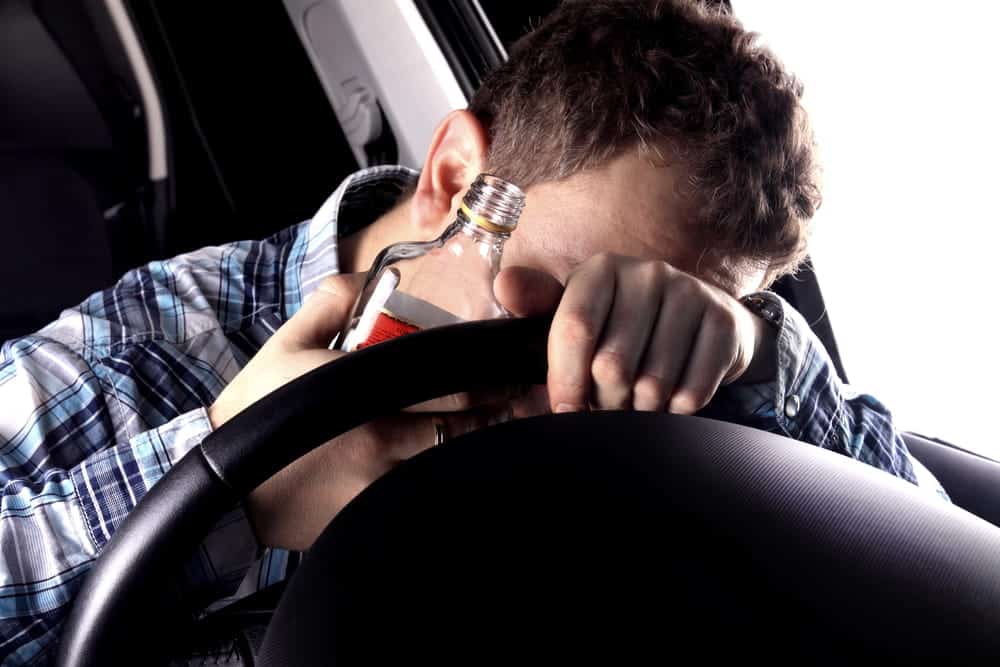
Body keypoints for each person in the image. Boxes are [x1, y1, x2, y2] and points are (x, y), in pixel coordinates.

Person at [0, 0, 946, 662]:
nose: (577, 383)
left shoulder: (681, 394)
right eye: (560, 306)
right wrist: (223, 488)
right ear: (458, 183)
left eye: (643, 325)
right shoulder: (156, 344)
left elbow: (936, 574)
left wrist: (749, 353)